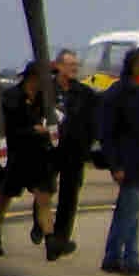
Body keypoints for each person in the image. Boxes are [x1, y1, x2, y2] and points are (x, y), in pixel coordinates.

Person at [96, 44, 139, 275]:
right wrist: (115, 165)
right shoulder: (118, 93)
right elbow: (107, 133)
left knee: (129, 210)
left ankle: (118, 256)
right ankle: (122, 256)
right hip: (126, 161)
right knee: (129, 210)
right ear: (134, 67)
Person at [0, 61, 56, 257]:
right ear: (33, 78)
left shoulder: (44, 99)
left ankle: (50, 241)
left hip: (36, 155)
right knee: (6, 197)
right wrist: (32, 130)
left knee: (43, 197)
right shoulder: (11, 97)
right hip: (15, 155)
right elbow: (6, 129)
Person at [47, 48, 97, 262]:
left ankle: (61, 239)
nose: (73, 69)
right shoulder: (46, 89)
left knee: (69, 196)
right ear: (58, 66)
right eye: (69, 65)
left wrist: (87, 144)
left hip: (74, 151)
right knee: (44, 189)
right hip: (49, 149)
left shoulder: (84, 93)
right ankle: (42, 226)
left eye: (76, 65)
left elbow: (93, 121)